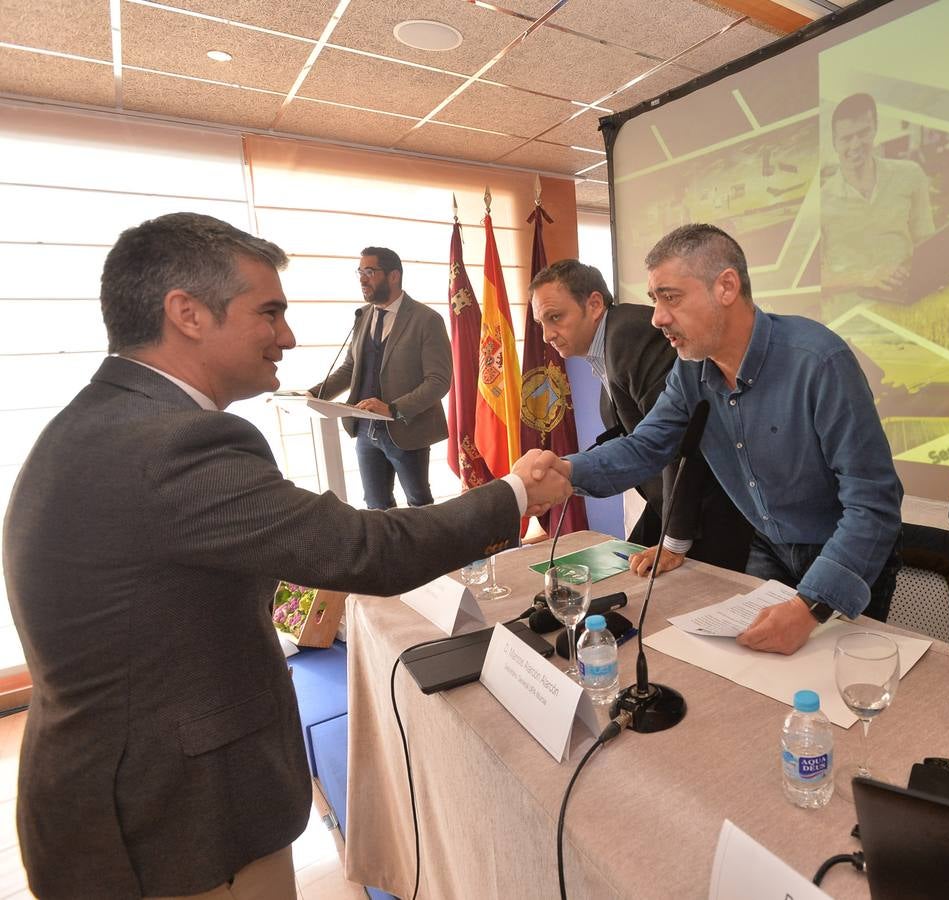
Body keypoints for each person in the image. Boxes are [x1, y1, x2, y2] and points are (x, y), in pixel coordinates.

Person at [2, 212, 570, 898]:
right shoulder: (177, 444)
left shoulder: (97, 420)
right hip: (178, 824)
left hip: (106, 796)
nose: (287, 336)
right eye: (268, 312)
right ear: (186, 313)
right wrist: (513, 491)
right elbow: (365, 549)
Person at [560, 225, 904, 655]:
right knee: (752, 679)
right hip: (766, 548)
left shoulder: (819, 362)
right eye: (654, 300)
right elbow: (647, 445)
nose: (657, 318)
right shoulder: (691, 370)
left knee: (839, 686)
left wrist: (811, 605)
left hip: (839, 553)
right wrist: (567, 472)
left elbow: (874, 503)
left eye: (671, 297)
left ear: (726, 286)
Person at [528, 258, 753, 572]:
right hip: (672, 507)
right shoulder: (607, 345)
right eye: (542, 323)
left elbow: (675, 441)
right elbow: (632, 436)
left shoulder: (630, 335)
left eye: (555, 317)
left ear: (594, 304)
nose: (546, 335)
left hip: (708, 512)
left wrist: (674, 541)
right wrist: (567, 471)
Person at [310, 247, 450, 509]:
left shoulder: (426, 320)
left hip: (406, 430)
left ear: (394, 276)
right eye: (360, 272)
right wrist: (312, 394)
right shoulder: (363, 316)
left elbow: (439, 381)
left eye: (370, 272)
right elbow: (351, 369)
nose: (363, 279)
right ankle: (390, 552)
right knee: (376, 506)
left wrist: (393, 409)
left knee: (419, 506)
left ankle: (427, 550)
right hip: (365, 430)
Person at [820, 92, 934, 297]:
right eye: (846, 138)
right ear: (834, 142)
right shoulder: (820, 202)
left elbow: (927, 242)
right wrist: (867, 277)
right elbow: (817, 279)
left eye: (863, 133)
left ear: (875, 129)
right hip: (849, 313)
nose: (855, 145)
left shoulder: (910, 174)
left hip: (906, 296)